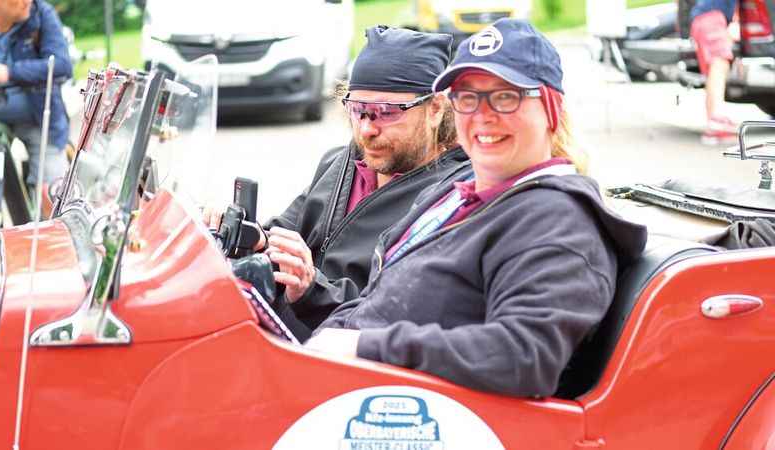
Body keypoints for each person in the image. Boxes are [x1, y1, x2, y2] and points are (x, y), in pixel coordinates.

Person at [305, 19, 648, 397]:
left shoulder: (557, 217)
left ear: (551, 108)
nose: (483, 115)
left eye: (505, 97)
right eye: (467, 97)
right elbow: (374, 300)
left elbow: (524, 357)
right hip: (338, 383)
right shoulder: (455, 194)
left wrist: (363, 347)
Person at [254, 26, 467, 339]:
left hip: (352, 365)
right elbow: (282, 230)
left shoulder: (451, 197)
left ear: (435, 109)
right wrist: (247, 234)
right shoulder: (340, 162)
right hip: (280, 338)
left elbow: (395, 313)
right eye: (357, 109)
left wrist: (313, 290)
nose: (366, 129)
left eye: (385, 112)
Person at [0, 0, 72, 217]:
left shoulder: (41, 13)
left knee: (52, 197)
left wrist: (7, 73)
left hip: (38, 119)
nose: (28, 1)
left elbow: (62, 65)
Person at [689, 0, 739, 145]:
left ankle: (713, 126)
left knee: (712, 70)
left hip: (705, 18)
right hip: (712, 18)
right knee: (720, 61)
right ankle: (717, 118)